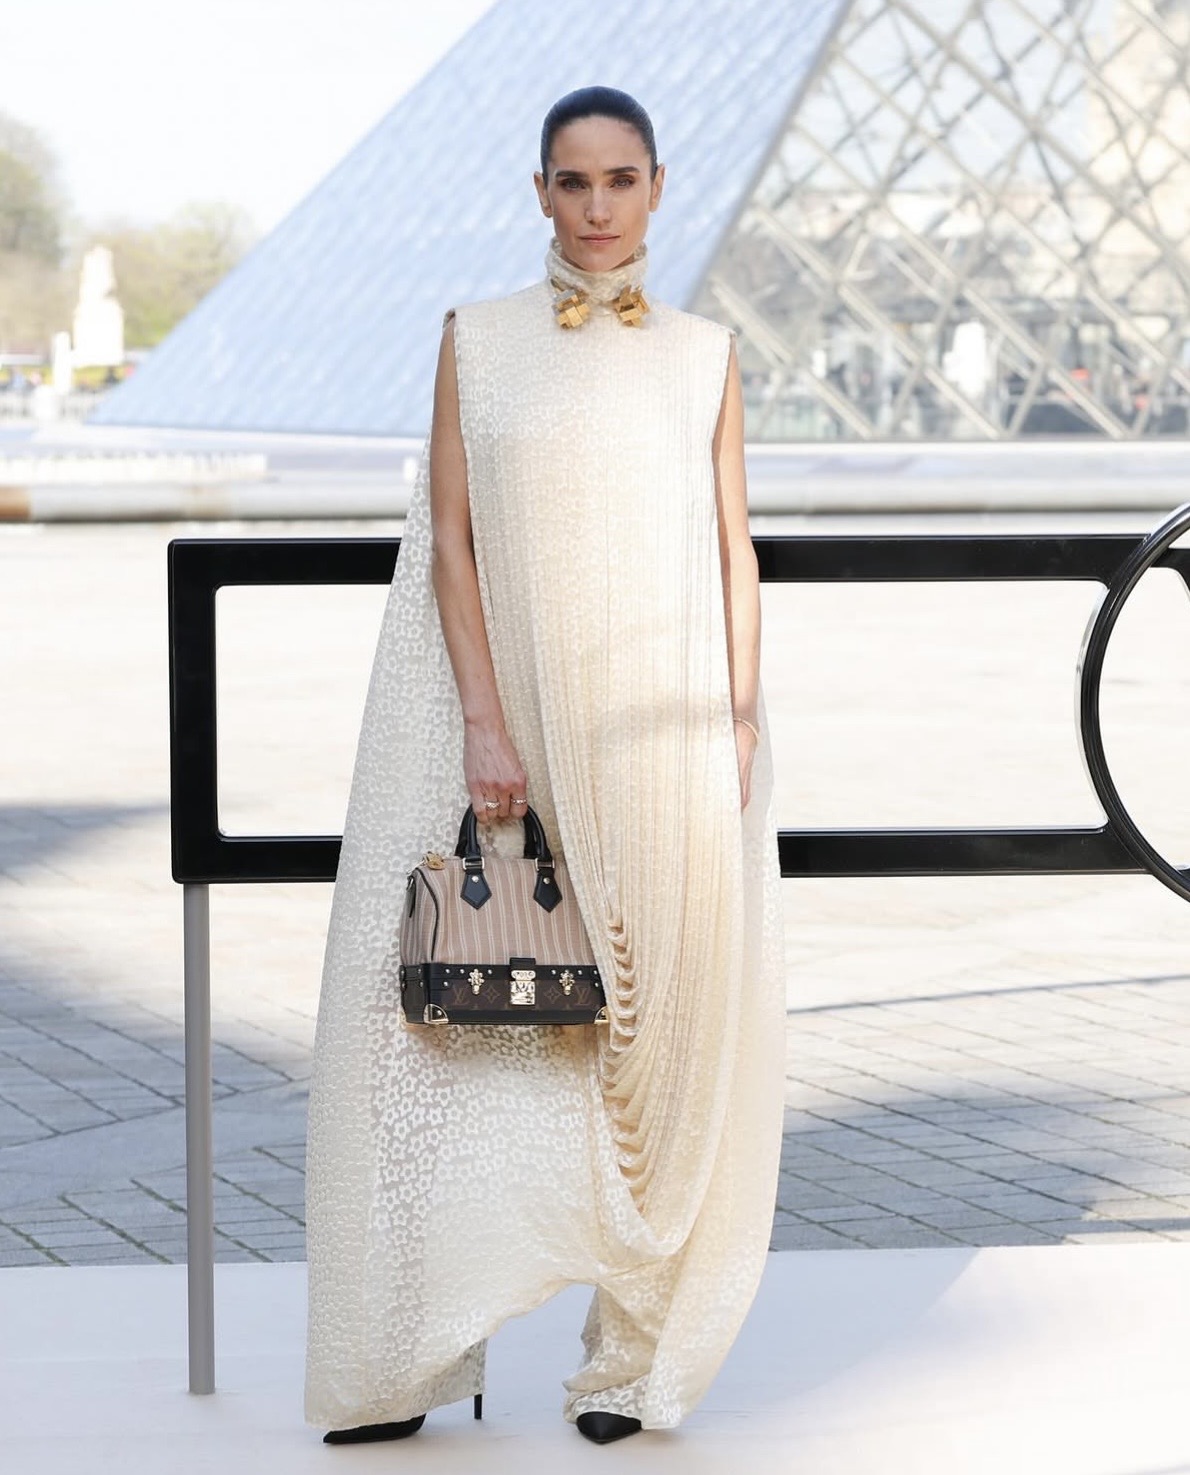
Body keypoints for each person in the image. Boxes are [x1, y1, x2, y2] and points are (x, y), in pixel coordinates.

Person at [304, 85, 786, 1447]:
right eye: (573, 182)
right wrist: (481, 720)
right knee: (452, 1050)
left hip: (668, 734)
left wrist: (739, 719)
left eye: (621, 180)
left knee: (660, 1053)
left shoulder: (704, 356)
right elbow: (450, 543)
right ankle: (404, 1353)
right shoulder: (478, 338)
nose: (597, 207)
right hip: (518, 728)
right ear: (539, 193)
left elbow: (732, 547)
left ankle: (630, 1363)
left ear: (657, 186)